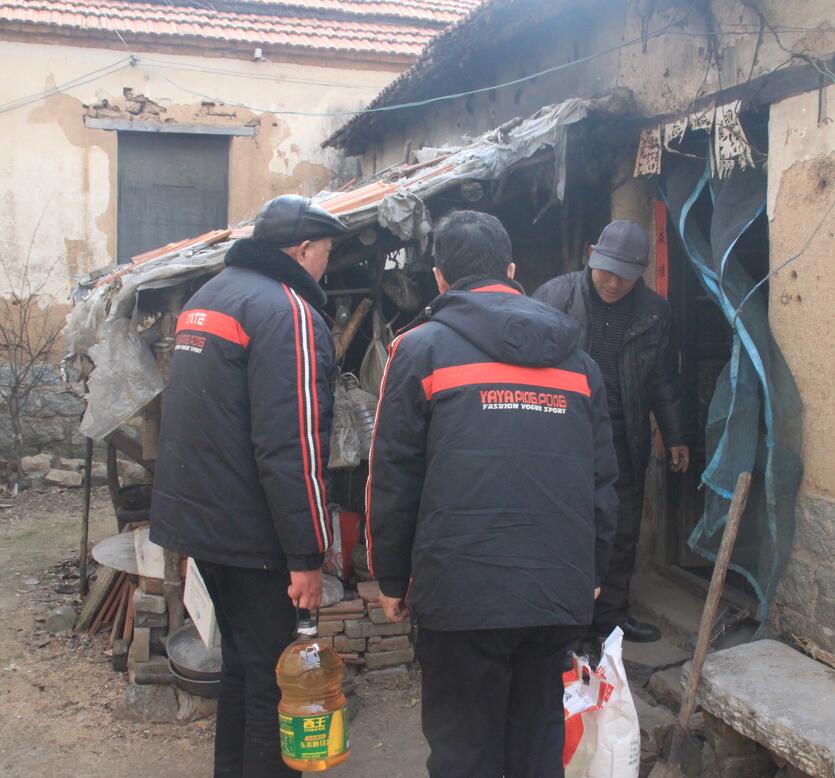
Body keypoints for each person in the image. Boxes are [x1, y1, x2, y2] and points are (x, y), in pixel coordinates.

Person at [366, 210, 618, 778]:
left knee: (464, 753)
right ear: (511, 271)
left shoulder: (419, 351)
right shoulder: (578, 363)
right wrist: (593, 569)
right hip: (554, 591)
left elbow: (394, 475)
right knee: (536, 747)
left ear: (439, 279)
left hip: (461, 594)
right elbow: (603, 479)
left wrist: (391, 577)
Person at [150, 195, 346, 778]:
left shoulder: (207, 297)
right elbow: (294, 446)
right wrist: (307, 554)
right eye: (326, 253)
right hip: (254, 535)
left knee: (241, 663)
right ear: (303, 249)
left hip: (202, 524)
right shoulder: (288, 312)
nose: (326, 266)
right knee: (274, 682)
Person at [533, 220, 689, 643]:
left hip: (622, 435)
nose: (614, 283)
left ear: (641, 271)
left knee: (620, 531)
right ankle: (563, 624)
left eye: (626, 275)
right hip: (562, 434)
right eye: (607, 271)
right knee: (563, 525)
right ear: (591, 254)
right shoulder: (554, 297)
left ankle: (610, 619)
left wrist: (676, 435)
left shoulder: (654, 312)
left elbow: (662, 378)